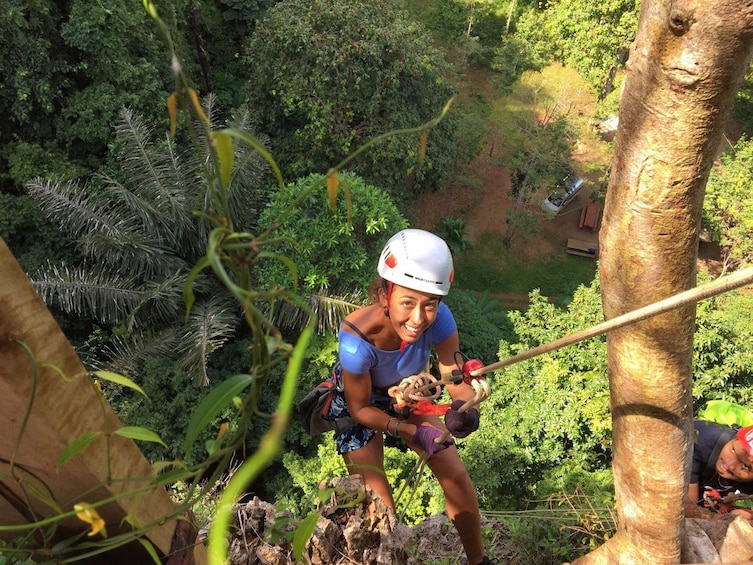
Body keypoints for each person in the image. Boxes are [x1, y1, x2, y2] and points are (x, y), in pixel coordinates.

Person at [327, 228, 493, 565]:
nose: (419, 319)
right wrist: (407, 430)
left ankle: (479, 561)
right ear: (383, 295)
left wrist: (463, 407)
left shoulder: (439, 320)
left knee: (455, 474)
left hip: (413, 391)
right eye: (407, 302)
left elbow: (450, 373)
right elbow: (359, 408)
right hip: (363, 403)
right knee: (380, 507)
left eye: (430, 305)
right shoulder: (356, 340)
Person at [686, 419, 753, 519]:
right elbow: (686, 509)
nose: (730, 464)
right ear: (735, 437)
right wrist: (725, 519)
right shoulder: (701, 439)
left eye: (746, 466)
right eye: (733, 450)